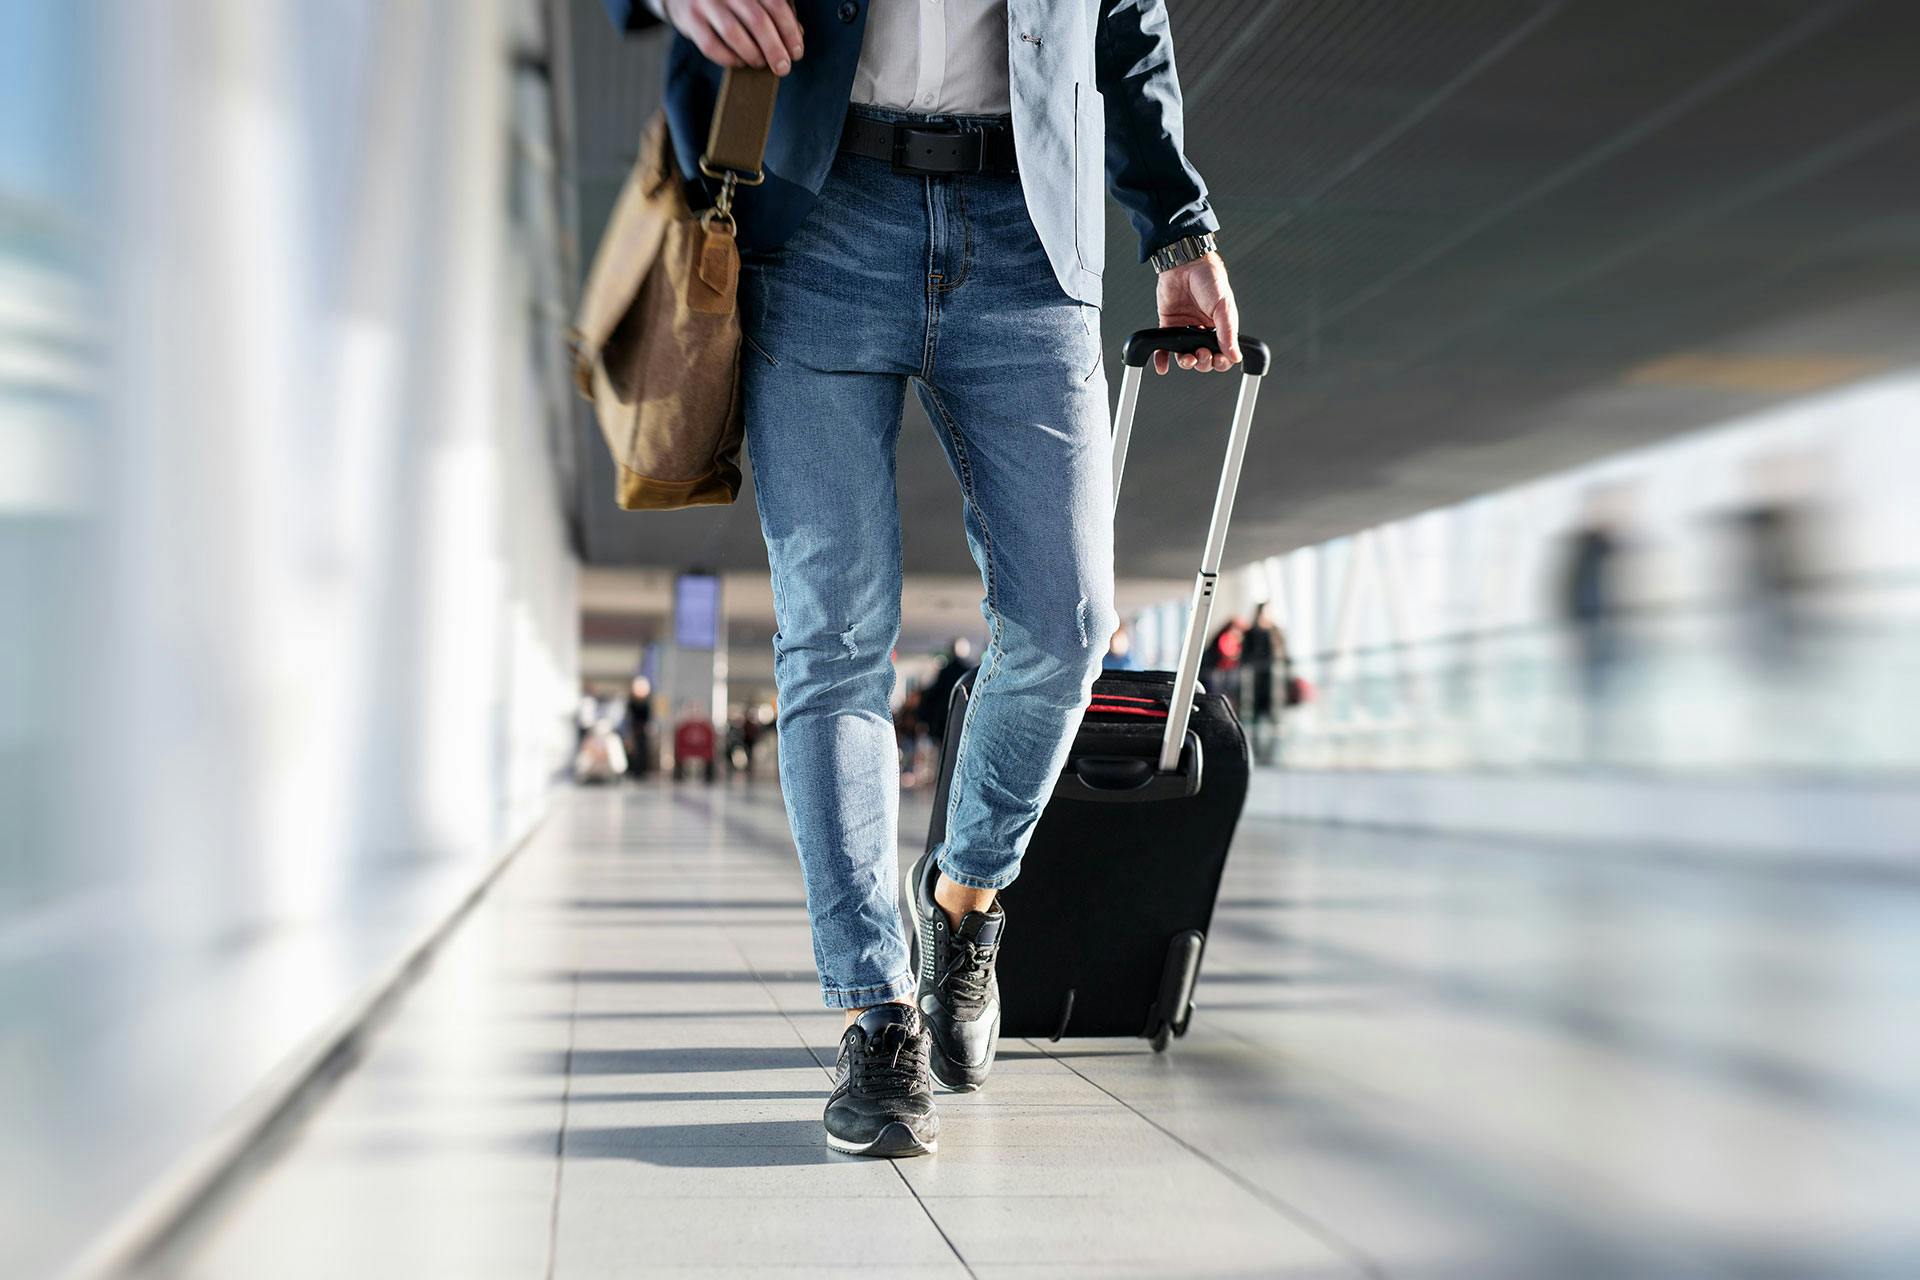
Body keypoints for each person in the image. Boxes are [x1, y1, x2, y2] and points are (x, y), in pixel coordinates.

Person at [608, 0, 1240, 1157]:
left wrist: (1179, 227)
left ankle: (964, 898)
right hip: (820, 211)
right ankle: (876, 1011)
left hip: (1028, 231)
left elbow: (1126, 17)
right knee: (836, 636)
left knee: (1069, 619)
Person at [1241, 604, 1286, 764]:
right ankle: (1257, 755)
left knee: (1274, 721)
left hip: (1274, 685)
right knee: (1255, 721)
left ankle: (1272, 756)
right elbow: (1244, 658)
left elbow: (1283, 657)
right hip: (1254, 686)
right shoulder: (1250, 633)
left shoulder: (1276, 632)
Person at [916, 637, 975, 751]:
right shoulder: (967, 672)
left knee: (944, 751)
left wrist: (923, 717)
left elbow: (933, 694)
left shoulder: (946, 671)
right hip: (961, 719)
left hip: (944, 720)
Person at [623, 675, 654, 778]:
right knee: (634, 750)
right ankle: (634, 770)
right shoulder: (632, 701)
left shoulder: (646, 702)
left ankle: (642, 771)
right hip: (634, 729)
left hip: (643, 730)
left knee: (643, 750)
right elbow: (629, 716)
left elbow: (648, 716)